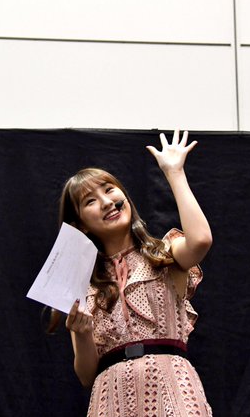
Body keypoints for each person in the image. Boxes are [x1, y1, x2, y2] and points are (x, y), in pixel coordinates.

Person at [59, 130, 213, 416]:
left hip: (173, 390)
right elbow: (86, 374)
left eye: (109, 189)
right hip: (112, 398)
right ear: (81, 225)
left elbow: (201, 241)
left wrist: (175, 173)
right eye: (90, 201)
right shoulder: (82, 283)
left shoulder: (164, 253)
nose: (106, 202)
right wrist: (82, 332)